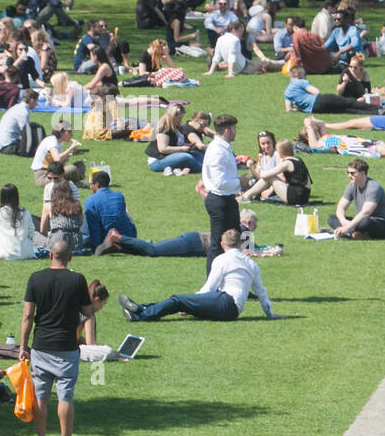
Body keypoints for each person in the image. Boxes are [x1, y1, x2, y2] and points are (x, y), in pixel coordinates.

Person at [19, 239, 94, 436]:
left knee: (40, 398)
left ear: (50, 255)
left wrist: (23, 346)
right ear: (69, 256)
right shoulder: (77, 280)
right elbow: (88, 312)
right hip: (66, 347)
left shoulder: (35, 278)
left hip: (41, 346)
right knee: (65, 397)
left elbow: (27, 316)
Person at [118, 229, 281, 322]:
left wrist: (193, 301)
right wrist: (270, 315)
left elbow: (209, 287)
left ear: (222, 244)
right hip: (233, 309)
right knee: (179, 302)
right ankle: (141, 308)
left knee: (178, 299)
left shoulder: (221, 259)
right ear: (239, 244)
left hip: (225, 302)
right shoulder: (251, 264)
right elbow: (261, 293)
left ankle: (141, 315)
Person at [196, 114, 242, 277]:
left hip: (226, 200)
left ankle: (235, 280)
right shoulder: (217, 150)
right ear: (227, 130)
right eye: (235, 128)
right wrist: (240, 182)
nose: (236, 131)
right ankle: (212, 285)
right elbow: (220, 182)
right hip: (220, 201)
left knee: (235, 242)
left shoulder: (221, 147)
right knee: (218, 244)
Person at [239, 139, 311, 205]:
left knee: (270, 177)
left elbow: (265, 175)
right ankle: (248, 195)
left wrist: (260, 167)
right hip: (304, 195)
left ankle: (246, 196)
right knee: (270, 177)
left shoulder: (287, 163)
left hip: (296, 197)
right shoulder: (298, 159)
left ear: (281, 152)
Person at [332, 160, 385, 239]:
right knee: (332, 218)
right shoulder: (351, 186)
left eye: (352, 173)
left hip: (379, 224)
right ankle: (356, 234)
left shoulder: (374, 187)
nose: (349, 176)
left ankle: (349, 233)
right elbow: (341, 207)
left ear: (362, 173)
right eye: (348, 173)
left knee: (365, 222)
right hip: (360, 221)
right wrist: (343, 221)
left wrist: (348, 227)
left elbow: (366, 212)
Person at [84, 172, 136, 254]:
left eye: (91, 184)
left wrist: (96, 248)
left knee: (85, 219)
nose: (90, 187)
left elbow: (93, 227)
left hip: (106, 236)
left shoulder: (90, 200)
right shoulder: (119, 195)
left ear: (96, 184)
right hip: (127, 236)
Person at [0, 89, 42, 158]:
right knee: (38, 151)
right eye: (36, 101)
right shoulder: (23, 112)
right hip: (9, 147)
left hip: (3, 145)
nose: (37, 104)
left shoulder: (17, 108)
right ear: (31, 100)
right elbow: (26, 134)